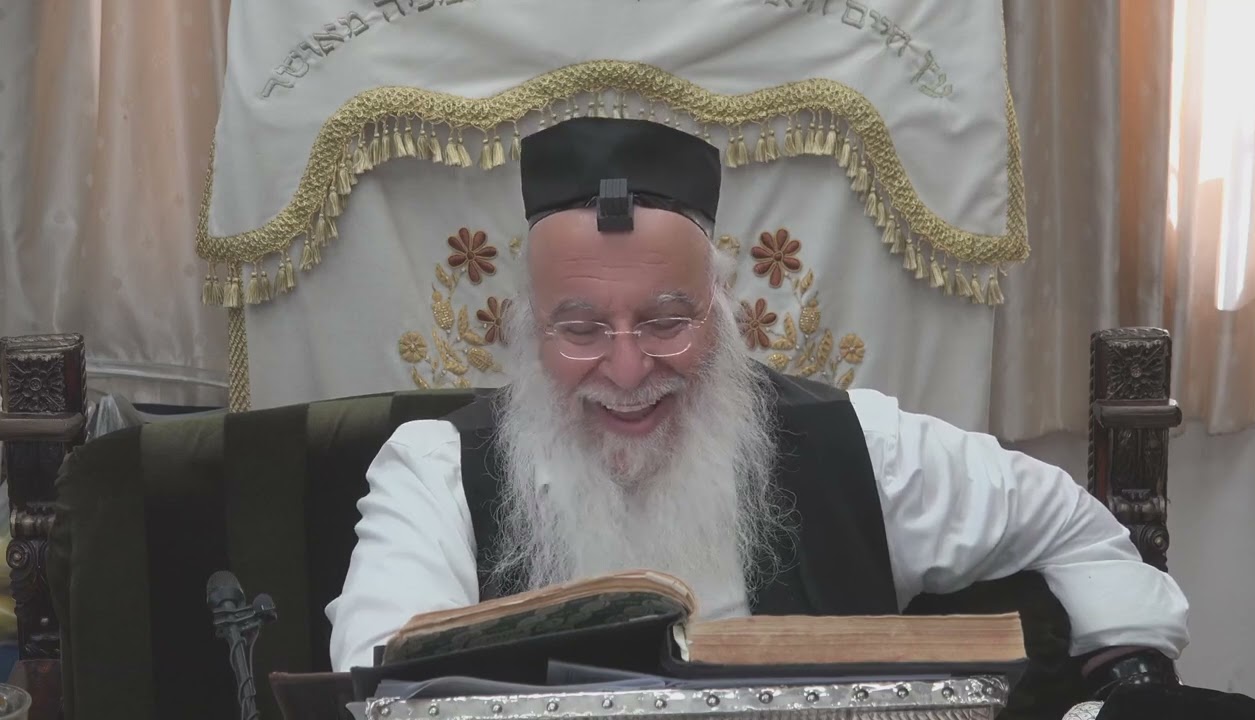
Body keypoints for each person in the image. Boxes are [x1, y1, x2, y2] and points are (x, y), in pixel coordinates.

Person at [326, 116, 1191, 700]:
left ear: (724, 313)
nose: (627, 369)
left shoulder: (850, 445)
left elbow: (1075, 528)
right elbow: (381, 686)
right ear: (528, 331)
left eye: (667, 321)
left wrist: (1132, 673)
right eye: (581, 328)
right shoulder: (435, 473)